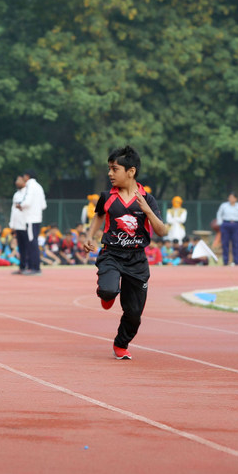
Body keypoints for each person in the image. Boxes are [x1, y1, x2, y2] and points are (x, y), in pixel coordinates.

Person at [82, 146, 168, 360]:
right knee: (109, 291)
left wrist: (147, 210)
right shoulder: (107, 197)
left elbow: (162, 231)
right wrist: (90, 236)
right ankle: (106, 292)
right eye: (109, 169)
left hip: (137, 260)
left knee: (134, 314)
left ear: (131, 171)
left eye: (115, 169)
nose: (110, 174)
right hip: (112, 254)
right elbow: (99, 216)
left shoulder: (148, 198)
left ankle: (121, 344)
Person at [16, 170, 46, 275]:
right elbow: (43, 205)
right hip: (37, 218)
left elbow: (27, 202)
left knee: (32, 243)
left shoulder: (30, 186)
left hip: (30, 219)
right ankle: (34, 267)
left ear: (27, 176)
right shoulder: (39, 187)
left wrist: (20, 205)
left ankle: (35, 267)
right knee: (33, 242)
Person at [215, 193, 238, 266]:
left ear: (236, 199)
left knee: (236, 244)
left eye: (232, 197)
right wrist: (220, 223)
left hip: (236, 225)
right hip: (226, 224)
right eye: (229, 197)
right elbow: (219, 214)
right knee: (225, 243)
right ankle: (225, 261)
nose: (231, 199)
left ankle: (236, 261)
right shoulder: (224, 205)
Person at [9, 175, 28, 274]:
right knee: (20, 247)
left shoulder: (28, 193)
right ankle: (22, 266)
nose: (17, 182)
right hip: (17, 224)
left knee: (27, 246)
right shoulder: (16, 195)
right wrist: (12, 224)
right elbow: (13, 210)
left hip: (26, 224)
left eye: (19, 180)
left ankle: (29, 266)